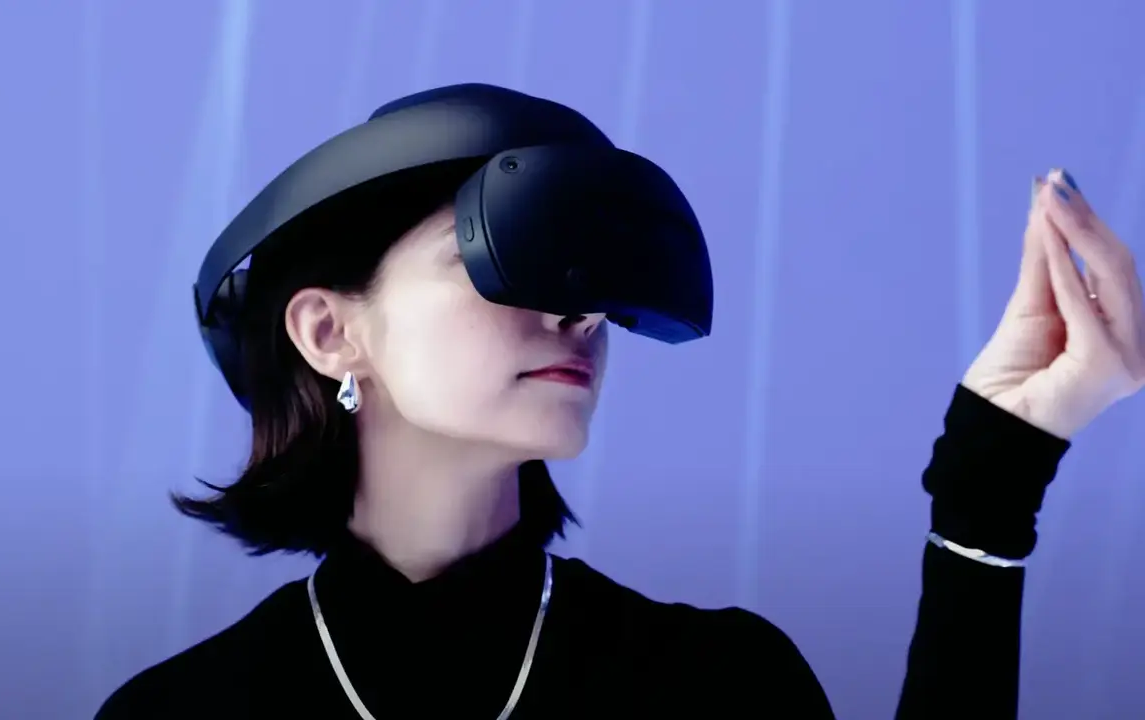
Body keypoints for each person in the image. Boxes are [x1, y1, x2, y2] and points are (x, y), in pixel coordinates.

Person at [94, 83, 1145, 719]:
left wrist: (989, 483)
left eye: (589, 278)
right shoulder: (177, 716)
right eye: (500, 258)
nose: (580, 314)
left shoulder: (719, 685)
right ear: (330, 332)